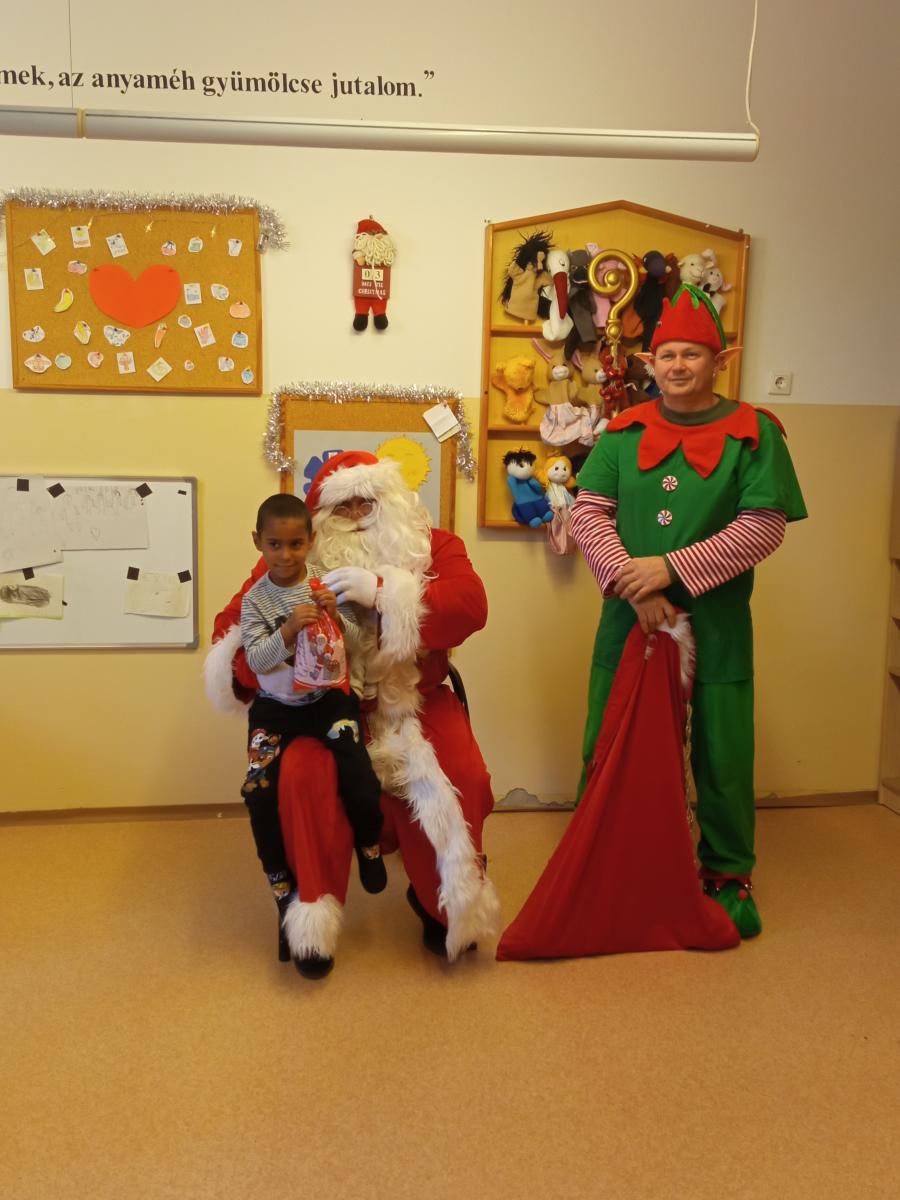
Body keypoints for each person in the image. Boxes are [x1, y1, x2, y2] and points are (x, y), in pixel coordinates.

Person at [570, 284, 807, 938]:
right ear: (650, 361)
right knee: (611, 740)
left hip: (718, 625)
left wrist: (671, 569)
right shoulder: (623, 432)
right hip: (631, 620)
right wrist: (639, 586)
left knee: (723, 753)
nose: (677, 365)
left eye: (692, 354)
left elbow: (762, 527)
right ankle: (609, 863)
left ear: (720, 360)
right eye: (667, 354)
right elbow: (589, 514)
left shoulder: (757, 432)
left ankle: (727, 875)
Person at [205, 452, 499, 977]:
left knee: (463, 774)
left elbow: (472, 606)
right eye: (344, 506)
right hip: (321, 706)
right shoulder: (294, 556)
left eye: (370, 502)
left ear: (394, 502)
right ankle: (311, 916)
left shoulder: (432, 545)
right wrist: (269, 670)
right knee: (300, 776)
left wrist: (386, 594)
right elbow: (232, 631)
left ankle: (445, 905)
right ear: (321, 516)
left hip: (414, 699)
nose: (358, 514)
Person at [238, 493, 387, 919]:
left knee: (359, 774)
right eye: (274, 545)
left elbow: (356, 643)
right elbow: (255, 661)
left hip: (327, 701)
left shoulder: (325, 583)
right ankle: (278, 876)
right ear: (258, 542)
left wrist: (337, 618)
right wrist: (286, 630)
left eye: (295, 544)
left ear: (311, 541)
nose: (285, 555)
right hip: (275, 709)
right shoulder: (255, 600)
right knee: (258, 793)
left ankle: (369, 845)